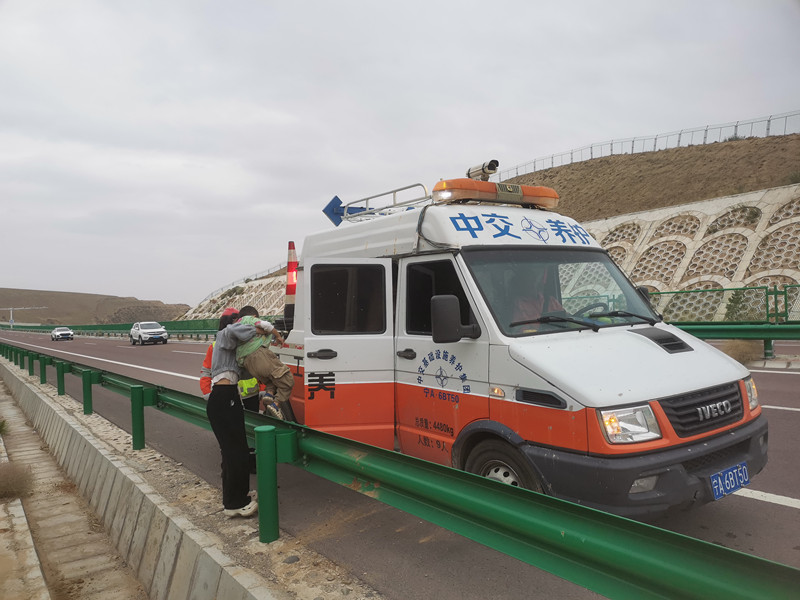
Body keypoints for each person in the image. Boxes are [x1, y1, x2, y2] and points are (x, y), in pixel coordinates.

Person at [206, 308, 264, 518]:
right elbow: (234, 331)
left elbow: (248, 372)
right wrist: (262, 328)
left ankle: (239, 495)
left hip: (229, 398)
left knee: (237, 451)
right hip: (224, 399)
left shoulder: (232, 350)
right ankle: (234, 503)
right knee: (235, 453)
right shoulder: (225, 336)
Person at [234, 305, 296, 421]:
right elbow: (267, 326)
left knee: (271, 380)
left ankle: (269, 394)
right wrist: (278, 336)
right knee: (287, 379)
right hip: (259, 354)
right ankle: (276, 404)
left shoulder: (236, 326)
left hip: (247, 363)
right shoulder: (249, 319)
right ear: (254, 316)